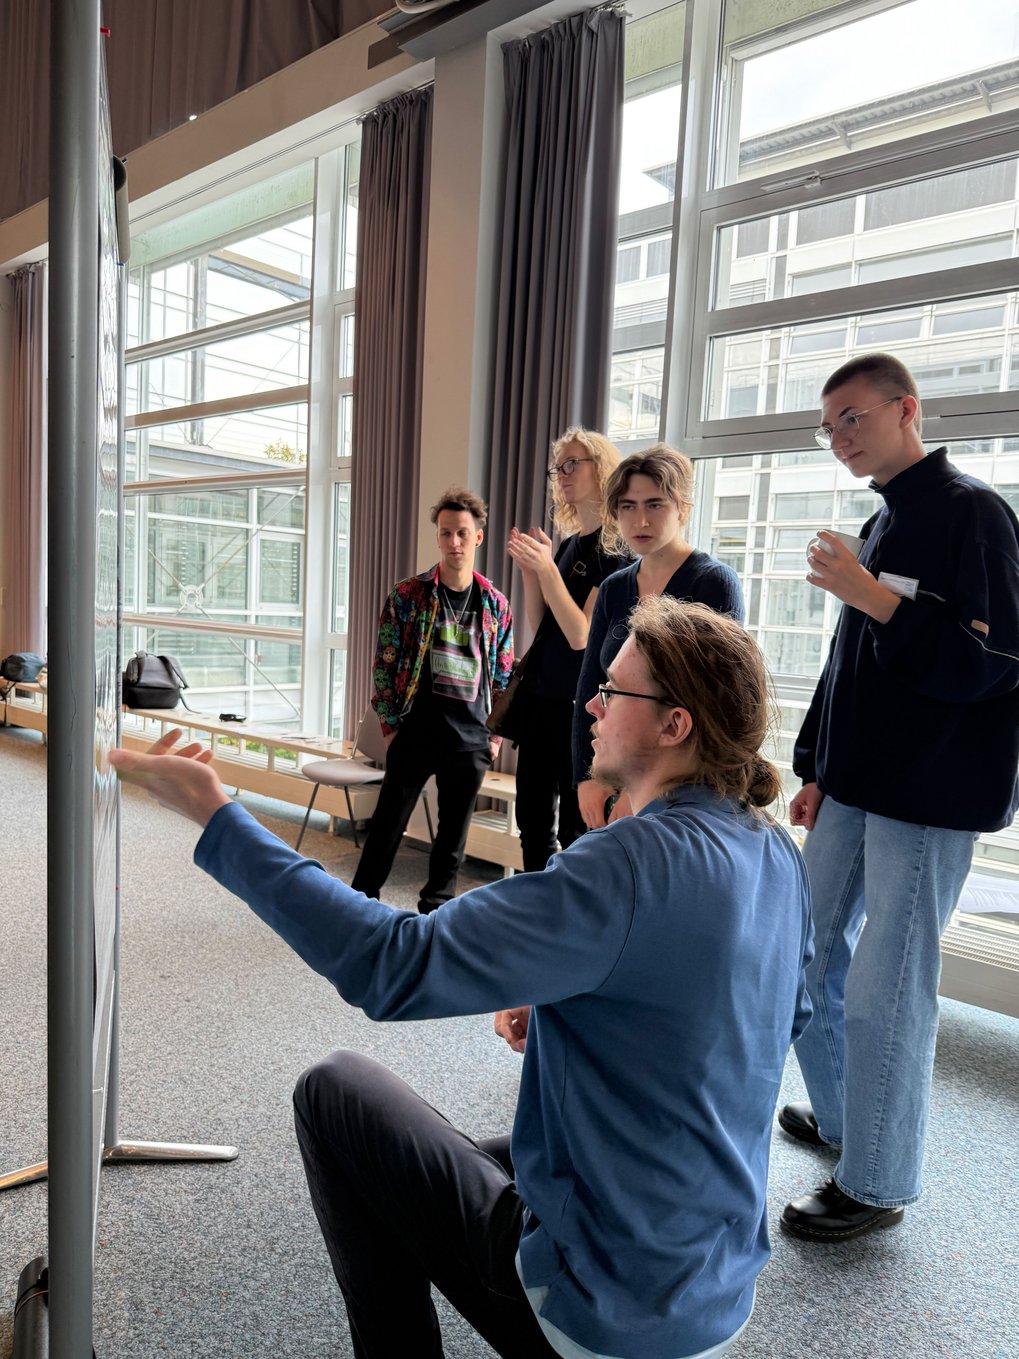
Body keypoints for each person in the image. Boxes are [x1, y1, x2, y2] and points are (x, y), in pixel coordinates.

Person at [109, 596, 812, 1359]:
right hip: (716, 1286)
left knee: (335, 1091)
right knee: (435, 1158)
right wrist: (566, 985)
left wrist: (219, 817)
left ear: (674, 725)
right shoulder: (772, 852)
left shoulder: (627, 865)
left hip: (606, 1306)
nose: (592, 706)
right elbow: (778, 1012)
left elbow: (392, 965)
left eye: (613, 691)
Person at [781, 352, 1019, 1243]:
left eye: (852, 416)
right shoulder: (879, 522)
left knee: (887, 987)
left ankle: (876, 1179)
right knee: (799, 956)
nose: (838, 435)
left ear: (904, 409)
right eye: (828, 423)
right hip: (854, 782)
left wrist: (872, 598)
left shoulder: (973, 513)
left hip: (928, 793)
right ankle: (847, 1121)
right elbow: (849, 672)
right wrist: (815, 765)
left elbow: (989, 664)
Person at [349, 486, 513, 913]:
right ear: (437, 537)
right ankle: (357, 907)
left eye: (462, 533)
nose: (454, 542)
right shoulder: (409, 595)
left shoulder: (496, 604)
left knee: (452, 838)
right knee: (386, 827)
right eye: (446, 533)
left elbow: (504, 673)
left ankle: (435, 912)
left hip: (472, 739)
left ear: (478, 536)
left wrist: (494, 738)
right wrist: (389, 724)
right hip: (415, 731)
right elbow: (384, 662)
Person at [573, 446, 744, 828]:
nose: (640, 520)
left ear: (682, 509)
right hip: (614, 763)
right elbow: (589, 686)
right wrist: (589, 775)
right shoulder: (616, 586)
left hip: (680, 784)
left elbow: (717, 703)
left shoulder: (713, 582)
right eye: (628, 506)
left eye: (655, 504)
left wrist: (645, 791)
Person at [505, 427, 627, 871]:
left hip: (579, 706)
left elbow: (581, 636)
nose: (563, 474)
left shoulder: (616, 550)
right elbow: (542, 627)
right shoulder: (572, 544)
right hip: (540, 698)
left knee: (577, 827)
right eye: (559, 467)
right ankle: (534, 912)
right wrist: (530, 571)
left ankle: (567, 922)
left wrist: (546, 571)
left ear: (603, 469)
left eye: (574, 464)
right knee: (532, 821)